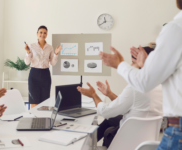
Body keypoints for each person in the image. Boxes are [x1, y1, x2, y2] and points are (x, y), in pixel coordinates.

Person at [99, 1, 182, 149]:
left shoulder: (176, 28)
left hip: (176, 128)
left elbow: (143, 83)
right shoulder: (159, 87)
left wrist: (119, 64)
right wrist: (147, 66)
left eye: (134, 61)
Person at [77, 47, 162, 148]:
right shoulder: (160, 85)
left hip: (127, 139)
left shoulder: (135, 87)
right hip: (144, 137)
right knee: (111, 119)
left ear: (142, 64)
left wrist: (94, 95)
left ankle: (85, 144)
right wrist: (109, 94)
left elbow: (105, 111)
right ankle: (90, 143)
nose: (130, 66)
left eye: (133, 62)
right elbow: (129, 105)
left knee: (109, 125)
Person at [24, 25, 62, 108]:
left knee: (45, 102)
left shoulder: (50, 47)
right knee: (34, 101)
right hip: (34, 74)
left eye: (45, 33)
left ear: (47, 34)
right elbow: (27, 62)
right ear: (37, 34)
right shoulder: (31, 46)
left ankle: (43, 120)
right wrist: (28, 52)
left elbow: (53, 63)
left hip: (45, 74)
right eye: (40, 32)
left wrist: (56, 53)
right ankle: (34, 120)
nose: (42, 34)